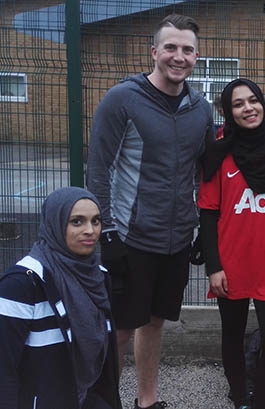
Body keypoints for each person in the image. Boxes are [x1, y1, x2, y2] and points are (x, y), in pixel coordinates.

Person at [86, 14, 214, 409]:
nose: (179, 56)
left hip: (176, 239)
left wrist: (201, 231)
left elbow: (207, 169)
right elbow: (98, 169)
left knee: (155, 322)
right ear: (154, 51)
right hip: (130, 238)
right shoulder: (122, 99)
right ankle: (103, 402)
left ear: (197, 56)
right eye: (171, 47)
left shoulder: (201, 108)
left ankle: (147, 401)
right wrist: (106, 232)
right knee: (120, 329)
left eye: (187, 49)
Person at [198, 78, 265, 409]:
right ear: (229, 113)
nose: (248, 108)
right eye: (238, 104)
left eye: (253, 100)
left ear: (263, 104)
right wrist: (214, 267)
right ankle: (240, 396)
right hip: (231, 265)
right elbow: (208, 214)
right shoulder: (219, 153)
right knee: (232, 334)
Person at [0, 187, 122, 409]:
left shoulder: (99, 276)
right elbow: (3, 367)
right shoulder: (21, 284)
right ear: (55, 224)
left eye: (96, 221)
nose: (90, 230)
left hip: (85, 397)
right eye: (77, 221)